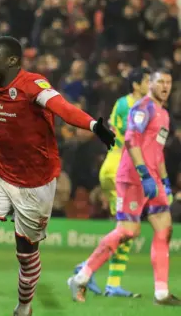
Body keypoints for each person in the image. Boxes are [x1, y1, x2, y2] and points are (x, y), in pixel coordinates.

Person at [0, 36, 115, 316]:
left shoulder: (33, 85)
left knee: (26, 254)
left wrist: (92, 126)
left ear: (12, 60)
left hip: (36, 183)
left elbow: (62, 107)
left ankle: (24, 308)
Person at [68, 70, 181, 306]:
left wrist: (165, 181)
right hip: (132, 177)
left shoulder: (164, 114)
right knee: (129, 231)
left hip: (152, 179)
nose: (165, 86)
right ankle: (81, 276)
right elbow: (130, 141)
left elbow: (157, 153)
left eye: (168, 83)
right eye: (160, 81)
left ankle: (161, 292)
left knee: (165, 229)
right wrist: (143, 174)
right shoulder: (143, 107)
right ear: (149, 84)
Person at [72, 67, 150, 297]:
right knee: (128, 228)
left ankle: (111, 283)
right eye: (147, 80)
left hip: (116, 166)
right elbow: (129, 138)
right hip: (120, 167)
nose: (150, 84)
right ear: (136, 85)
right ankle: (85, 269)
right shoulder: (130, 105)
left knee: (126, 229)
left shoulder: (131, 104)